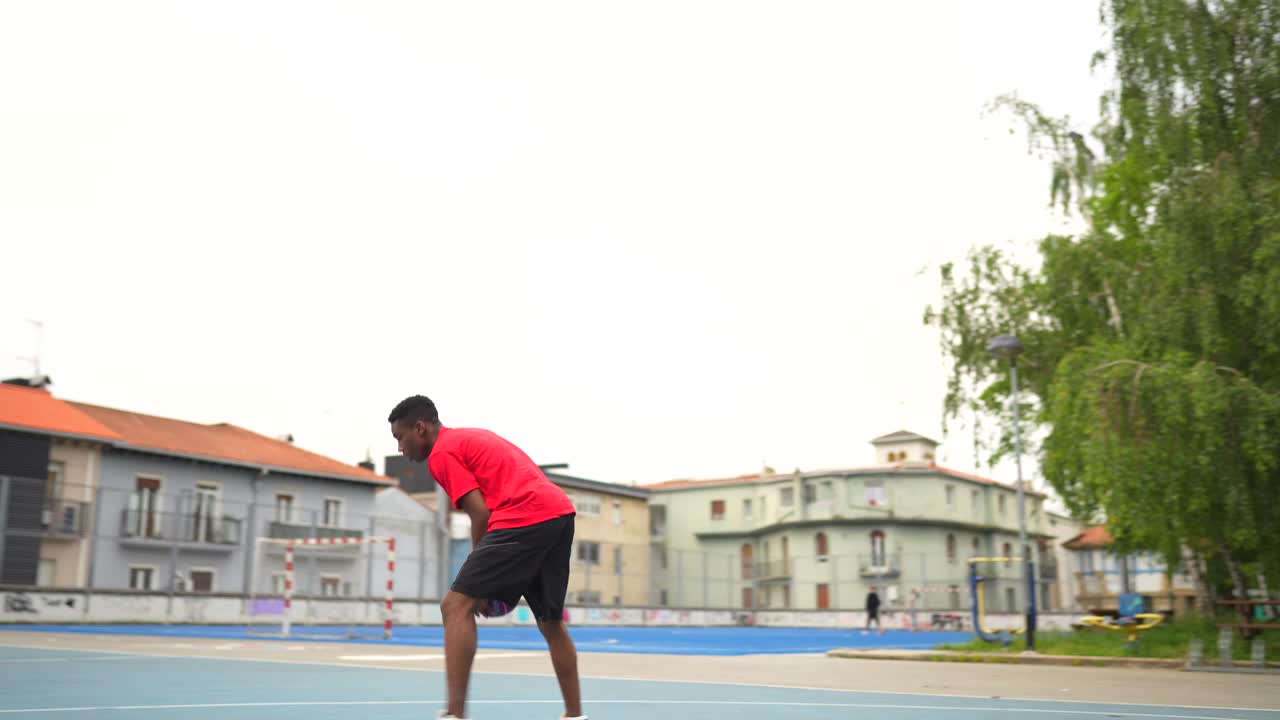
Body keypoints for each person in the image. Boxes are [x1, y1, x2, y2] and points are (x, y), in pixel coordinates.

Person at [389, 395, 585, 720]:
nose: (400, 448)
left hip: (524, 515)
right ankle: (575, 715)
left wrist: (477, 584)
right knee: (551, 622)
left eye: (400, 437)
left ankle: (454, 714)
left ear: (420, 428)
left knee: (454, 605)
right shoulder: (467, 437)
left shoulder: (443, 453)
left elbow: (480, 514)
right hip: (558, 513)